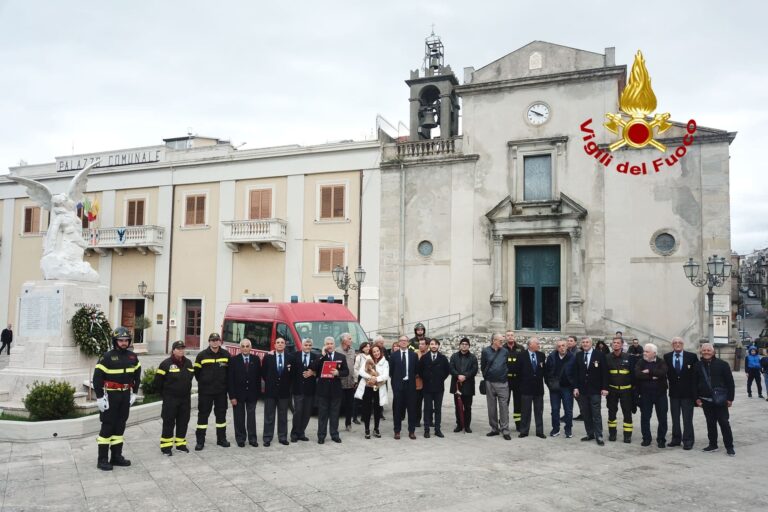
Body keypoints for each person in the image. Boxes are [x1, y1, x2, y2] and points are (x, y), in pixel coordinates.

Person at [92, 327, 141, 471]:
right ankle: (102, 460)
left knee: (120, 426)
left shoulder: (133, 357)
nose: (124, 343)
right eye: (121, 340)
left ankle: (116, 457)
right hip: (111, 396)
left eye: (126, 340)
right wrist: (100, 398)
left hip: (125, 395)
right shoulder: (106, 357)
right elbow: (97, 379)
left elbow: (137, 376)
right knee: (108, 426)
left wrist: (134, 393)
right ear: (115, 341)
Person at [154, 340, 194, 455]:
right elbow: (158, 382)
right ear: (173, 350)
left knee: (183, 422)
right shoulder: (165, 364)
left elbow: (190, 378)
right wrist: (166, 395)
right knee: (169, 423)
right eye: (178, 348)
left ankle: (180, 445)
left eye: (182, 348)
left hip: (185, 399)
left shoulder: (188, 363)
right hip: (170, 399)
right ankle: (166, 448)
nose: (181, 350)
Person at [696, 343, 735, 456]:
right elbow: (694, 383)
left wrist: (730, 398)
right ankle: (713, 444)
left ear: (713, 352)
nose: (706, 352)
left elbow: (730, 382)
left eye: (709, 350)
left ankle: (729, 446)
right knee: (710, 423)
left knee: (724, 422)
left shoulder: (723, 364)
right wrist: (696, 398)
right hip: (705, 400)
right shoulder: (698, 365)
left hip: (720, 400)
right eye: (704, 350)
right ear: (701, 352)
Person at [194, 332, 231, 450]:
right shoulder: (201, 355)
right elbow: (197, 373)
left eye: (217, 340)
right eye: (212, 340)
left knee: (221, 417)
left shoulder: (226, 355)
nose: (215, 342)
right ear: (209, 341)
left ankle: (221, 439)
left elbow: (230, 373)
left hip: (221, 392)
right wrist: (205, 383)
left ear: (220, 341)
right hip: (206, 392)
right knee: (203, 417)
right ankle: (200, 441)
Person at [664, 336, 699, 450]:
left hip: (687, 394)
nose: (677, 344)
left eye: (679, 343)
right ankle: (676, 439)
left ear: (683, 344)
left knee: (687, 418)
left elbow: (696, 375)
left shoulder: (692, 357)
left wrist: (696, 393)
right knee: (675, 418)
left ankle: (688, 440)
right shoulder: (667, 357)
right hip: (674, 394)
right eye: (675, 343)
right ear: (672, 345)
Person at [314, 336, 350, 443]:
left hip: (336, 390)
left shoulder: (341, 356)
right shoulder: (320, 356)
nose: (329, 345)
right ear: (325, 345)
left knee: (335, 414)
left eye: (331, 343)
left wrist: (338, 373)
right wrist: (322, 356)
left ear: (334, 345)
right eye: (327, 344)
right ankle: (321, 436)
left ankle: (334, 435)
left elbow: (346, 371)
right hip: (323, 390)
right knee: (322, 414)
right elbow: (314, 367)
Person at [574, 336, 608, 446]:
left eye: (587, 342)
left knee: (596, 413)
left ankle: (599, 435)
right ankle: (590, 433)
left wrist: (604, 388)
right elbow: (576, 373)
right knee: (586, 413)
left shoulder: (599, 355)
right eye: (583, 342)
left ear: (591, 343)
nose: (585, 344)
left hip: (595, 390)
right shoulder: (578, 355)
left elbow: (604, 373)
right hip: (583, 390)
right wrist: (575, 387)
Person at [228, 338, 261, 448]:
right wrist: (232, 396)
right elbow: (230, 380)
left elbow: (258, 378)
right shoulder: (233, 360)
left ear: (250, 348)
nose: (245, 348)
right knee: (239, 418)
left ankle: (252, 438)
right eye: (243, 346)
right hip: (238, 395)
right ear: (240, 348)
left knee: (251, 418)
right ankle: (240, 438)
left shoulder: (256, 359)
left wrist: (258, 395)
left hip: (252, 395)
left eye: (247, 346)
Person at [634, 343, 669, 448]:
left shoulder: (661, 362)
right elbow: (637, 374)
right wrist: (652, 376)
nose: (644, 353)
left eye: (647, 351)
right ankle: (646, 438)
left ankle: (661, 439)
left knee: (662, 418)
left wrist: (648, 371)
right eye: (644, 351)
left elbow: (662, 373)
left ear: (654, 353)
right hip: (645, 395)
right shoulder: (640, 362)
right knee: (645, 418)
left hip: (660, 395)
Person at [418, 338, 451, 438]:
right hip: (427, 387)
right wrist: (427, 378)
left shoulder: (443, 358)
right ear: (429, 346)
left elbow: (447, 371)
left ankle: (437, 429)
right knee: (427, 409)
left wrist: (439, 379)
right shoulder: (424, 358)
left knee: (438, 409)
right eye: (432, 344)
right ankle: (426, 430)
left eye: (436, 344)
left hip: (438, 388)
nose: (434, 346)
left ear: (438, 346)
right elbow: (420, 371)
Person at [262, 337, 291, 446]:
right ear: (274, 345)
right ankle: (267, 438)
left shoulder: (290, 358)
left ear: (285, 345)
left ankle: (282, 437)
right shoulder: (268, 357)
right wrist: (271, 382)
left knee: (283, 416)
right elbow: (264, 373)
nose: (280, 344)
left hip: (284, 392)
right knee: (269, 416)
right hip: (270, 391)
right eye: (278, 342)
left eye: (282, 343)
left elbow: (291, 375)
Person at [605, 336, 635, 443]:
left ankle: (627, 436)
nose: (616, 344)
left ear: (622, 345)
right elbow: (605, 375)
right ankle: (612, 434)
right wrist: (605, 388)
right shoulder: (607, 357)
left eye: (618, 343)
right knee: (611, 412)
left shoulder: (629, 357)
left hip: (626, 391)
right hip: (612, 391)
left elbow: (633, 375)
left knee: (627, 413)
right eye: (614, 343)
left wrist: (634, 390)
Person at [481, 333, 511, 440]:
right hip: (490, 382)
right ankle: (494, 428)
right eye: (500, 341)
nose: (502, 343)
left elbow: (507, 364)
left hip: (502, 382)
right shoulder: (485, 351)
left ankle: (505, 430)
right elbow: (483, 366)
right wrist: (487, 377)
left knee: (504, 407)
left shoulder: (505, 351)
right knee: (491, 406)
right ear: (494, 340)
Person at [356, 344, 389, 438]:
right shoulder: (368, 360)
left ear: (380, 351)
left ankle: (376, 428)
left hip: (378, 387)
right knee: (366, 408)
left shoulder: (385, 362)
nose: (376, 353)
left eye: (377, 351)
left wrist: (376, 379)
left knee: (378, 408)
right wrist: (371, 377)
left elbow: (386, 376)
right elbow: (361, 372)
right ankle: (367, 429)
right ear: (371, 352)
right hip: (368, 387)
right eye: (374, 351)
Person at [545, 338, 576, 438]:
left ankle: (568, 429)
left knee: (568, 410)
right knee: (555, 409)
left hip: (567, 388)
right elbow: (546, 373)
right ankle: (555, 429)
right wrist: (549, 385)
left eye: (563, 345)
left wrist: (575, 386)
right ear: (556, 348)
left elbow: (577, 373)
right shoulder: (551, 357)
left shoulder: (573, 357)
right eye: (559, 346)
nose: (561, 348)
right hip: (554, 388)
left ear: (567, 346)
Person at [390, 335, 419, 439]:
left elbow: (416, 370)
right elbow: (391, 372)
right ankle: (397, 431)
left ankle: (411, 431)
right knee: (397, 409)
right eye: (401, 340)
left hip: (410, 385)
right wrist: (394, 385)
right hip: (398, 385)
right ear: (398, 342)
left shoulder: (413, 355)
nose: (403, 342)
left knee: (411, 409)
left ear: (408, 342)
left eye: (405, 341)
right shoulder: (394, 355)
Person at [517, 337, 546, 439]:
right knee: (525, 411)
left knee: (539, 411)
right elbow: (518, 372)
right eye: (537, 343)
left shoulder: (541, 355)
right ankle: (524, 431)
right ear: (530, 345)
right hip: (526, 388)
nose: (539, 345)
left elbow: (543, 371)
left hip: (538, 389)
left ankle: (540, 431)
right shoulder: (521, 355)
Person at [291, 338, 318, 442]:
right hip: (298, 389)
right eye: (306, 345)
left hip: (310, 390)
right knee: (298, 412)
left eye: (309, 345)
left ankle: (301, 433)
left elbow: (320, 371)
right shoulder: (294, 356)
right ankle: (294, 434)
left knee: (307, 413)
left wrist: (313, 373)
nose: (308, 347)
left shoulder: (315, 357)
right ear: (302, 346)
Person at [449, 337, 478, 433]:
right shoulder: (454, 356)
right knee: (458, 406)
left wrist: (465, 376)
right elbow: (451, 368)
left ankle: (467, 425)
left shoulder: (473, 357)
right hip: (457, 385)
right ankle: (459, 425)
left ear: (469, 346)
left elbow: (474, 370)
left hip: (468, 385)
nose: (464, 345)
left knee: (468, 407)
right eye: (463, 344)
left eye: (466, 344)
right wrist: (458, 375)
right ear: (460, 345)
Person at [503, 330, 525, 430]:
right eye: (508, 335)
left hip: (518, 380)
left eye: (512, 335)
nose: (510, 337)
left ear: (514, 336)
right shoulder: (502, 348)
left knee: (518, 403)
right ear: (505, 337)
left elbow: (524, 364)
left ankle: (518, 424)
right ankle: (503, 423)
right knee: (504, 403)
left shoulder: (521, 348)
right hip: (506, 380)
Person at [339, 333, 357, 431]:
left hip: (350, 382)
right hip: (340, 382)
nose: (351, 340)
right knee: (337, 405)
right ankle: (335, 425)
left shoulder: (352, 350)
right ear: (344, 340)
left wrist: (355, 379)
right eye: (349, 339)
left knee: (350, 404)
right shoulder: (337, 351)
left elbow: (354, 365)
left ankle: (348, 424)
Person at [565, 335, 584, 421]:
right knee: (567, 398)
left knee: (579, 398)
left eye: (571, 341)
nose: (569, 342)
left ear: (575, 342)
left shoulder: (578, 352)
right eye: (568, 340)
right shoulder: (564, 351)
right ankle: (568, 414)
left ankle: (584, 414)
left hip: (576, 379)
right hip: (567, 379)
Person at [352, 341, 371, 425]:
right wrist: (356, 380)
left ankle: (364, 416)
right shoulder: (359, 357)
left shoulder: (371, 356)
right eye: (366, 346)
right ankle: (355, 417)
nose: (368, 348)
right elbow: (355, 368)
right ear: (362, 348)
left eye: (369, 346)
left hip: (369, 379)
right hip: (361, 379)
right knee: (358, 399)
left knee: (366, 399)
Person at [413, 338, 428, 426]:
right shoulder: (415, 355)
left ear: (426, 346)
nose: (420, 345)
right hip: (418, 383)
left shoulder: (430, 354)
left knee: (428, 404)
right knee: (417, 403)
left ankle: (429, 420)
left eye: (422, 344)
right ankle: (417, 420)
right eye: (419, 344)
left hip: (428, 383)